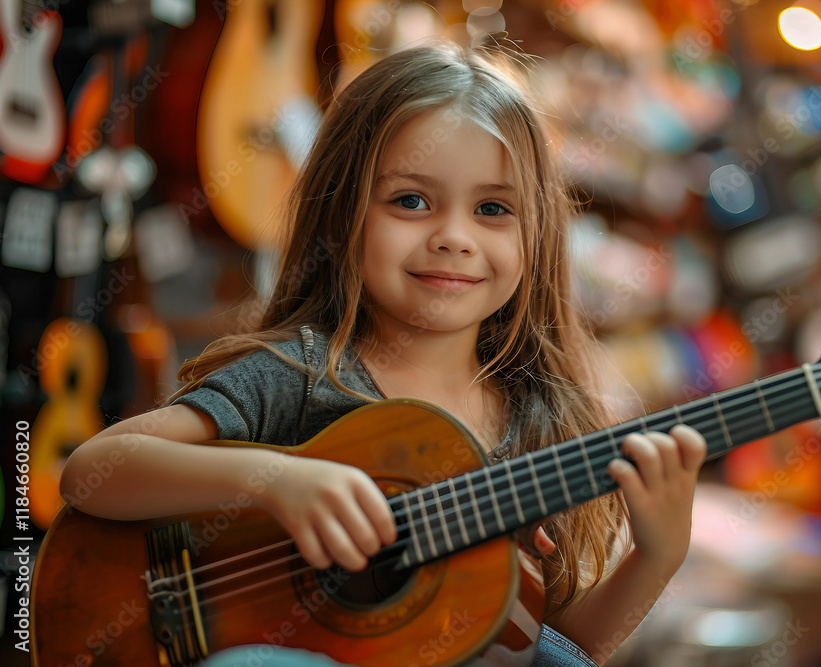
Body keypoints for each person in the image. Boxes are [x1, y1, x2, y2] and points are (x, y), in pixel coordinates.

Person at [60, 39, 706, 667]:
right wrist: (276, 481)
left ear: (536, 233)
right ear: (344, 214)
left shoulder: (534, 417)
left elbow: (548, 645)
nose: (454, 236)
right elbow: (92, 470)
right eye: (411, 201)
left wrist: (657, 556)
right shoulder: (302, 373)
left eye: (491, 208)